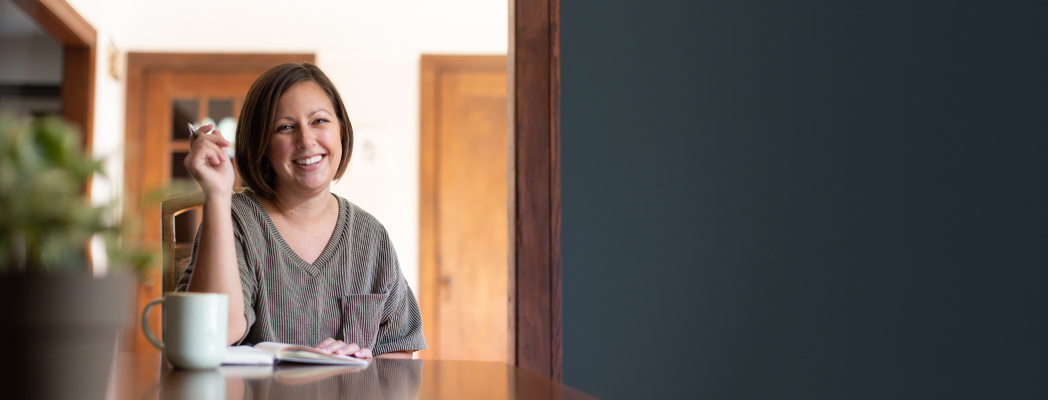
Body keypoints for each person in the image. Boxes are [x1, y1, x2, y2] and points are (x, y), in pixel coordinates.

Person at [176, 62, 425, 359]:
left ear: (341, 131)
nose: (306, 140)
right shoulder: (236, 220)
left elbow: (398, 349)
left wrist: (365, 365)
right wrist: (218, 196)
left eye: (319, 121)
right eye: (285, 127)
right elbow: (213, 334)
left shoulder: (371, 237)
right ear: (263, 146)